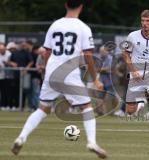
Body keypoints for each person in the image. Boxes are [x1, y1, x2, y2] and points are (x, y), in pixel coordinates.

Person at [11, 0, 107, 158]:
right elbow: (88, 55)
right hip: (69, 73)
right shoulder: (83, 28)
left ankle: (21, 137)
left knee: (42, 109)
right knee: (87, 108)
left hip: (52, 72)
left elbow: (46, 52)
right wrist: (95, 79)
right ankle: (92, 142)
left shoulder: (55, 25)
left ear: (65, 5)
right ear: (81, 7)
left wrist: (47, 71)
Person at [122, 10, 149, 144]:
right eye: (142, 20)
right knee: (130, 111)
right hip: (135, 74)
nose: (144, 23)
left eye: (147, 21)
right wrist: (133, 70)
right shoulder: (132, 36)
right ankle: (139, 105)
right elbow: (125, 53)